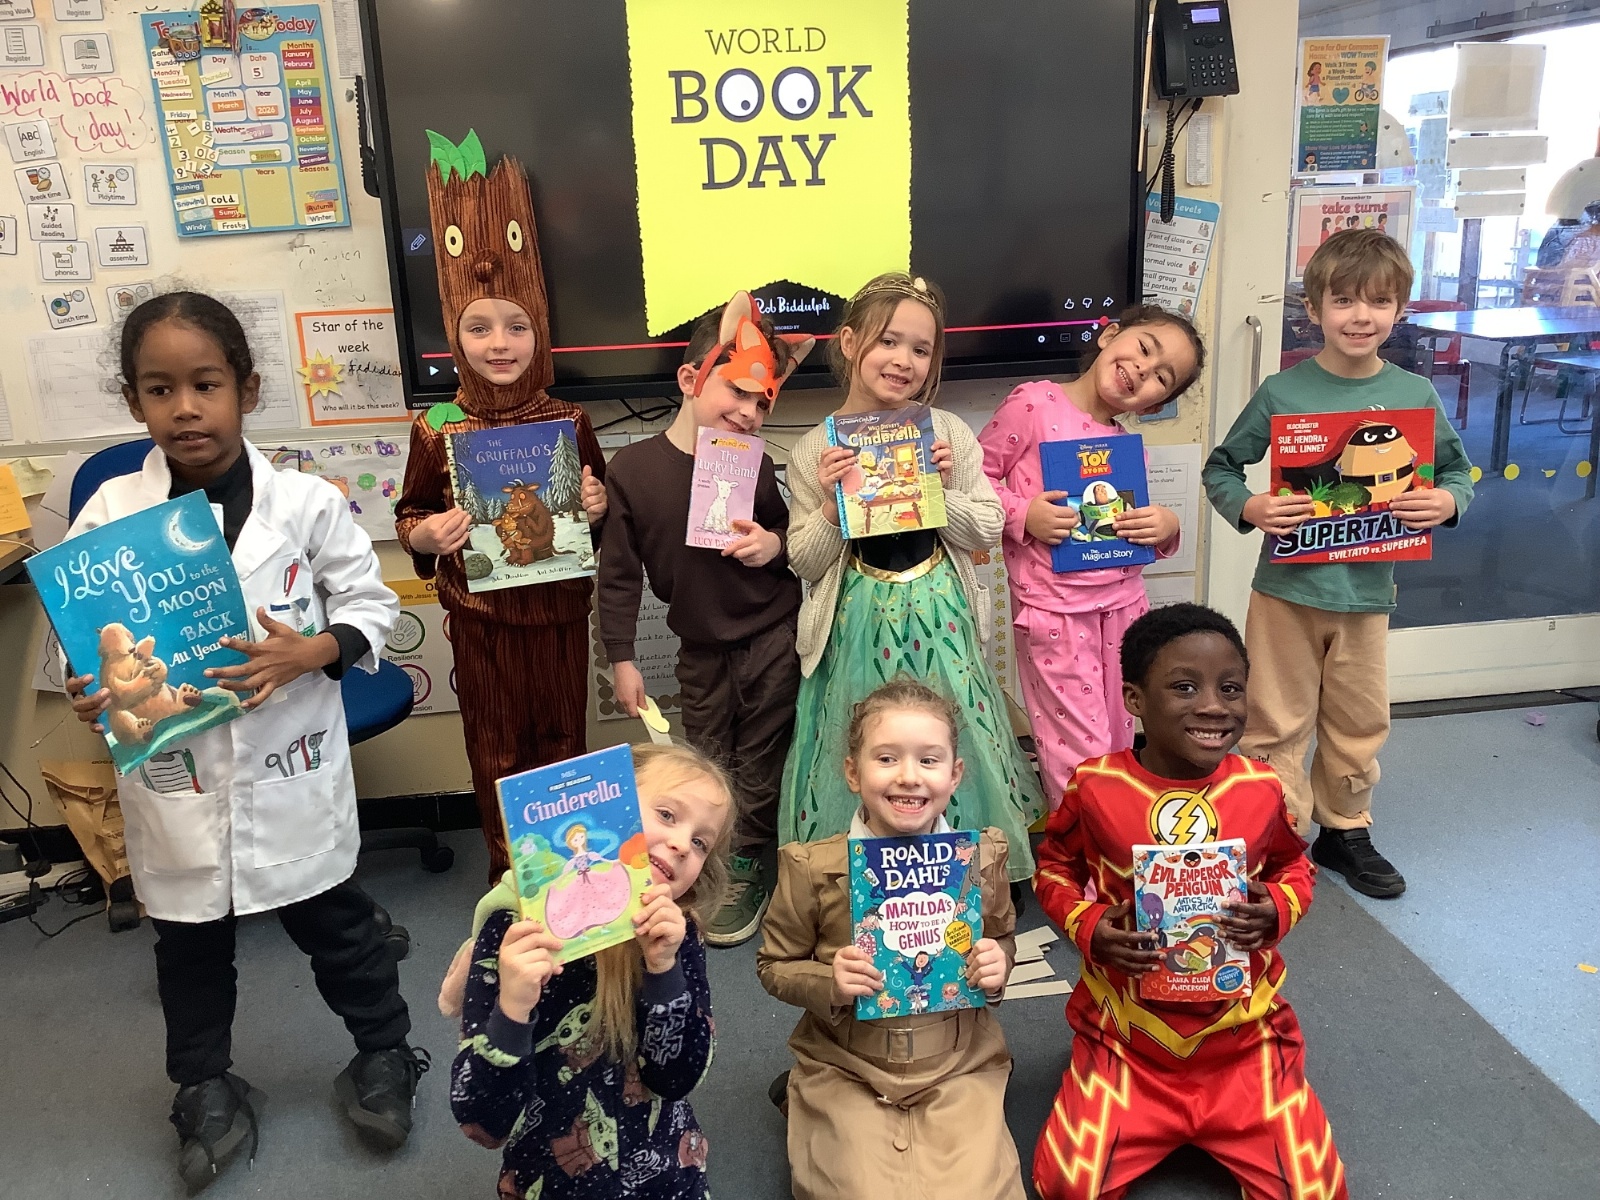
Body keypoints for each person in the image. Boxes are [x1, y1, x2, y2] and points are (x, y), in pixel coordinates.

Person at [64, 292, 425, 1191]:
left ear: (246, 390)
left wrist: (317, 651)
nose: (185, 408)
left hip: (288, 768)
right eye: (160, 390)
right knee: (188, 949)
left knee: (338, 928)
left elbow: (372, 604)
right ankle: (203, 1085)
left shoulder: (305, 504)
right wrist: (87, 690)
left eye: (206, 384)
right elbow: (83, 643)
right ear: (134, 400)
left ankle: (385, 1050)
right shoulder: (109, 513)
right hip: (177, 784)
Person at [1031, 603, 1347, 1200]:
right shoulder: (1096, 785)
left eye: (1231, 688)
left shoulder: (1259, 786)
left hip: (1242, 1040)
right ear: (1134, 698)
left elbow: (1294, 866)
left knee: (1316, 1193)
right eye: (1184, 687)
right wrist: (1089, 925)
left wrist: (1277, 908)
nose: (1213, 706)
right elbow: (1054, 868)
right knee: (1067, 1188)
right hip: (1128, 1039)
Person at [1203, 228, 1474, 897]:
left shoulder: (1415, 394)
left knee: (1359, 717)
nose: (1361, 316)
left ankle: (1345, 828)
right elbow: (1222, 468)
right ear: (1314, 308)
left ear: (1399, 310)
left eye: (1378, 302)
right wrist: (1252, 507)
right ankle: (1275, 831)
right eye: (1344, 300)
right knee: (1274, 717)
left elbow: (1458, 473)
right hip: (1285, 592)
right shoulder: (1283, 391)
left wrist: (1445, 501)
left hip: (1366, 593)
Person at [779, 273, 1045, 880]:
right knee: (865, 734)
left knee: (947, 735)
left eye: (921, 350)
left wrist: (941, 490)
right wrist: (830, 507)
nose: (904, 360)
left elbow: (987, 528)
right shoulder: (812, 449)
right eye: (888, 342)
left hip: (941, 617)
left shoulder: (946, 432)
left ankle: (965, 878)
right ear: (850, 343)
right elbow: (805, 561)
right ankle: (859, 881)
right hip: (854, 625)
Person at [393, 137, 607, 881]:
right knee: (495, 748)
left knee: (563, 743)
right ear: (455, 336)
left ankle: (570, 877)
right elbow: (409, 513)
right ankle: (512, 879)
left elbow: (597, 512)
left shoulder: (568, 421)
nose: (500, 344)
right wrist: (425, 534)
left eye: (517, 327)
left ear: (538, 331)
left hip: (558, 613)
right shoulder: (438, 427)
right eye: (479, 328)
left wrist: (596, 505)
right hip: (481, 622)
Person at [599, 291, 815, 947]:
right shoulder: (633, 470)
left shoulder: (756, 463)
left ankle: (748, 861)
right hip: (699, 646)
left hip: (771, 634)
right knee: (706, 757)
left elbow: (791, 538)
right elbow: (618, 573)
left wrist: (773, 546)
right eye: (738, 393)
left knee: (761, 756)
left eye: (762, 404)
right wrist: (622, 659)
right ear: (691, 379)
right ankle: (707, 852)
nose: (749, 413)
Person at [758, 678, 1025, 1199]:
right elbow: (773, 965)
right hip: (849, 1063)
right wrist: (829, 982)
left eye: (929, 760)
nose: (908, 776)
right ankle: (807, 1100)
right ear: (853, 772)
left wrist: (999, 964)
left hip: (957, 1061)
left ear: (954, 774)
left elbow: (1001, 936)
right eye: (886, 758)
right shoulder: (812, 868)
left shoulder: (980, 859)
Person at [444, 742, 736, 1199]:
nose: (682, 844)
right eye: (666, 814)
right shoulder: (514, 937)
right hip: (551, 1181)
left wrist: (664, 971)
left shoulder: (678, 934)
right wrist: (513, 1008)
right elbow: (482, 1122)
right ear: (610, 805)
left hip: (664, 1177)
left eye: (701, 842)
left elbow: (679, 1078)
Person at [978, 304, 1204, 810]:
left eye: (1161, 378)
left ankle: (1113, 833)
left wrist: (1166, 528)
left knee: (1122, 737)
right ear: (1109, 335)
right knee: (1078, 750)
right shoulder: (1034, 404)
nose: (1142, 370)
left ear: (1155, 404)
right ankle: (1084, 844)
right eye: (1144, 349)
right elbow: (973, 478)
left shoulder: (1128, 448)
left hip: (1125, 610)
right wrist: (1023, 514)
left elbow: (1129, 534)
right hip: (1055, 610)